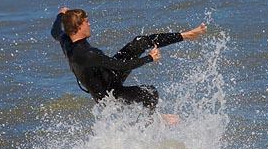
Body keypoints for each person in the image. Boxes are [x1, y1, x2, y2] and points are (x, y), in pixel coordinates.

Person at [51, 7, 206, 124]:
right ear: (78, 27)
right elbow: (119, 66)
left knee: (140, 42)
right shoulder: (87, 54)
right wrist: (149, 58)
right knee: (150, 93)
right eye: (86, 22)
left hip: (107, 76)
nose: (89, 24)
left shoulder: (66, 40)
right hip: (108, 94)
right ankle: (155, 121)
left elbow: (54, 31)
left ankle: (186, 35)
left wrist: (61, 14)